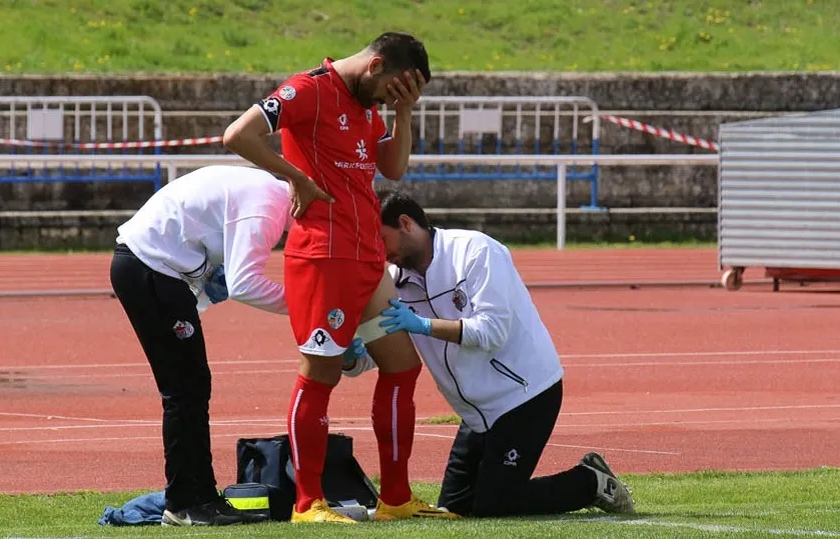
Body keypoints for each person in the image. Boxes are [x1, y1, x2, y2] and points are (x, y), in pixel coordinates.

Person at [221, 32, 459, 524]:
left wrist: (403, 113)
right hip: (324, 256)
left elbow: (391, 169)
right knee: (321, 375)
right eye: (393, 90)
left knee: (401, 366)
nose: (390, 100)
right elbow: (237, 135)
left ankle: (395, 498)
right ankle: (309, 504)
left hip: (368, 258)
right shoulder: (307, 90)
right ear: (375, 66)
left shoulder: (371, 105)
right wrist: (296, 178)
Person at [342, 190, 637, 518]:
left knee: (497, 505)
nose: (382, 254)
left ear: (406, 223)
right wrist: (351, 354)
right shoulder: (396, 281)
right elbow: (379, 354)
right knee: (455, 511)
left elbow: (492, 331)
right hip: (475, 414)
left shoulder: (475, 251)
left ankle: (591, 482)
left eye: (382, 239)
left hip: (524, 395)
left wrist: (423, 325)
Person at [110, 165, 299, 527]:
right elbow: (245, 284)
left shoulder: (266, 194)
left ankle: (198, 497)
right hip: (150, 267)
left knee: (192, 386)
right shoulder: (269, 207)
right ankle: (185, 503)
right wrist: (307, 307)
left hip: (153, 267)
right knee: (186, 389)